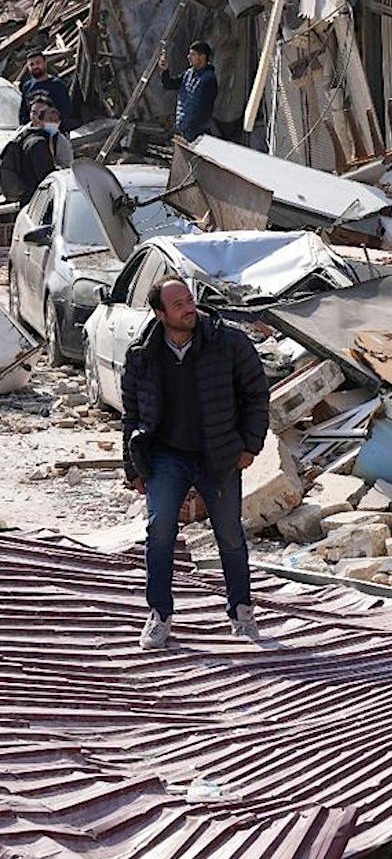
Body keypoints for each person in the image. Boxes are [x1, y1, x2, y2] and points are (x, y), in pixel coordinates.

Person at [121, 275, 268, 650]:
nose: (189, 308)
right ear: (159, 313)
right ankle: (160, 615)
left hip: (218, 454)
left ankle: (241, 611)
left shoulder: (228, 342)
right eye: (178, 304)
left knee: (230, 535)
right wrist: (133, 467)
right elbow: (131, 414)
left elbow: (256, 395)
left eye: (190, 300)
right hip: (166, 455)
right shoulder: (142, 352)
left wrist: (249, 445)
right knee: (159, 532)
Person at [0, 98, 72, 203]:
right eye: (34, 112)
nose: (37, 117)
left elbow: (67, 166)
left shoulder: (57, 139)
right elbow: (45, 176)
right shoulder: (34, 140)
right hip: (36, 197)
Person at [159, 41, 219, 142]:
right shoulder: (189, 74)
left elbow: (204, 109)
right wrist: (165, 70)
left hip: (197, 131)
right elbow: (169, 84)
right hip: (185, 128)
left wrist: (191, 126)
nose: (188, 57)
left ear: (202, 57)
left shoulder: (209, 79)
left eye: (193, 54)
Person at [17, 52, 73, 127]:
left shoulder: (57, 85)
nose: (35, 66)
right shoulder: (26, 87)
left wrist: (56, 128)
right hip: (34, 131)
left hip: (54, 129)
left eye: (38, 63)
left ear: (45, 63)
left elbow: (66, 111)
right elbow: (24, 113)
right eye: (31, 64)